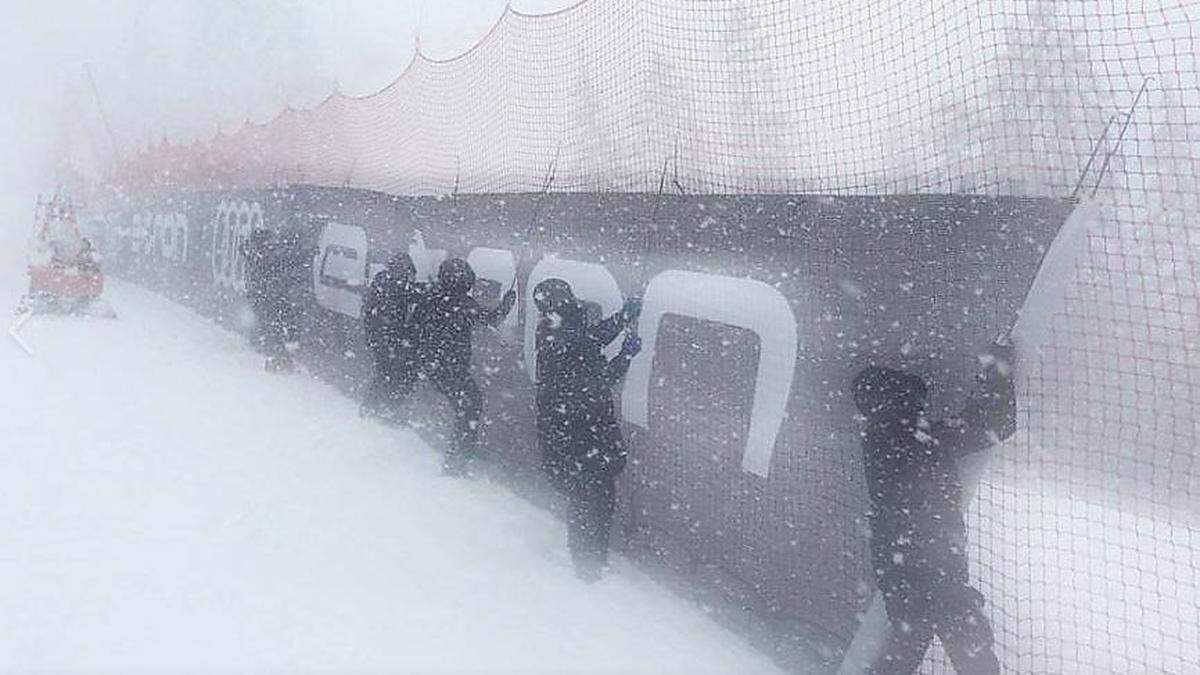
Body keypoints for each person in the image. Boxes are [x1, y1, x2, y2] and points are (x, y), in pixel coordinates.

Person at [851, 342, 1016, 675]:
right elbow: (998, 423)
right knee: (966, 645)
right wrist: (997, 370)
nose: (921, 406)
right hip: (931, 561)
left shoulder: (883, 436)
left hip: (900, 563)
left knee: (908, 643)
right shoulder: (915, 439)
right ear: (901, 402)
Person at [532, 278, 642, 582]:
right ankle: (586, 568)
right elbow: (593, 366)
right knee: (588, 495)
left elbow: (593, 352)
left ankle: (595, 558)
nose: (571, 301)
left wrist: (623, 328)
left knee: (601, 493)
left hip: (583, 427)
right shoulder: (557, 339)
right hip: (573, 430)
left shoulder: (562, 332)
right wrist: (625, 346)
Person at [411, 258, 516, 476]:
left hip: (433, 363)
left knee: (466, 406)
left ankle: (460, 446)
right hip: (451, 368)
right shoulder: (463, 303)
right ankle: (457, 458)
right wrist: (506, 304)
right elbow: (491, 319)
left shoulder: (431, 297)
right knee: (470, 406)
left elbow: (414, 326)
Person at [362, 252, 423, 419]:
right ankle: (380, 410)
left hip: (379, 336)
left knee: (385, 373)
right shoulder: (397, 285)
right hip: (386, 338)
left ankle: (373, 408)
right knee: (391, 374)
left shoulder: (382, 280)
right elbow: (415, 293)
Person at [244, 229, 302, 373]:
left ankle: (281, 357)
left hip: (271, 296)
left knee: (281, 325)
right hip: (269, 297)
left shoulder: (256, 256)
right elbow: (282, 264)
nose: (272, 247)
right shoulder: (259, 258)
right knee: (276, 326)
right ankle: (278, 358)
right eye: (268, 244)